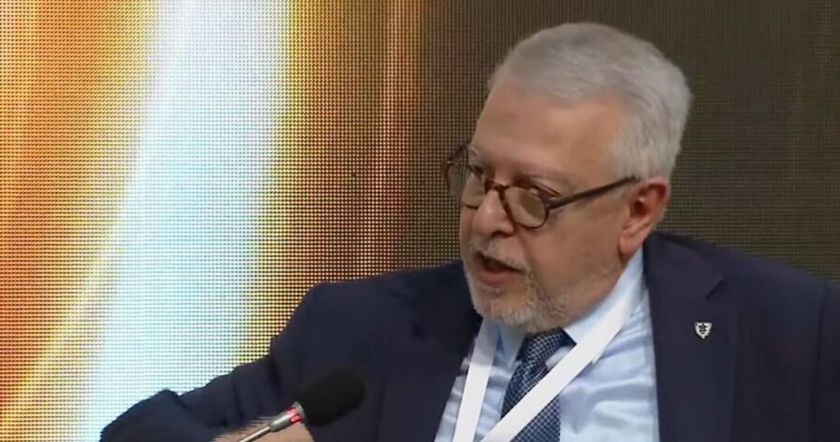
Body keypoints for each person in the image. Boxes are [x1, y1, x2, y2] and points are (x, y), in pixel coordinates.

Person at [102, 22, 840, 442]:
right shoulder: (360, 328)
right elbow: (141, 432)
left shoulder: (792, 337)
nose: (487, 218)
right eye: (479, 174)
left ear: (638, 211)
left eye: (535, 198)